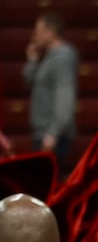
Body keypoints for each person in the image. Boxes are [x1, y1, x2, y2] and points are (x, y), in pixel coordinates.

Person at [23, 12, 78, 165]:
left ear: (50, 33)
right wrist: (32, 61)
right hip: (43, 132)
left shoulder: (62, 59)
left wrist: (52, 134)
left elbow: (65, 97)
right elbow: (29, 83)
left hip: (52, 136)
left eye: (38, 31)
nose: (34, 36)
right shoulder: (46, 58)